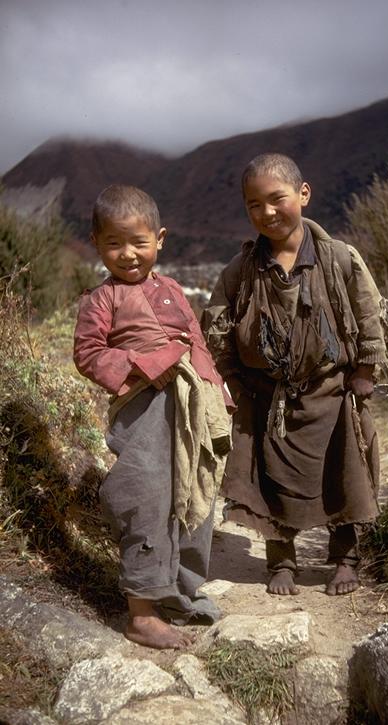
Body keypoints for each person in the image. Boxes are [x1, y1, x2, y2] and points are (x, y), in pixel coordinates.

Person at [202, 153, 387, 597]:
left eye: (276, 199)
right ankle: (281, 561)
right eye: (254, 205)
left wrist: (364, 373)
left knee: (344, 471)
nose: (266, 213)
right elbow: (216, 323)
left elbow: (368, 318)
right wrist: (234, 376)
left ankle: (344, 557)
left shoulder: (340, 259)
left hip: (333, 390)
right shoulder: (242, 269)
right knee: (271, 480)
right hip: (268, 397)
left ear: (303, 195)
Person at [73, 184, 232, 650]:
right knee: (146, 494)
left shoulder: (173, 289)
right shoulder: (101, 300)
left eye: (138, 242)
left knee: (193, 494)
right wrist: (145, 366)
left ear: (159, 239)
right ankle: (141, 612)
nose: (127, 255)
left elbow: (195, 339)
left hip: (191, 406)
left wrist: (214, 385)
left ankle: (177, 593)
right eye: (113, 244)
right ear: (96, 243)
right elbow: (88, 353)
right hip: (142, 410)